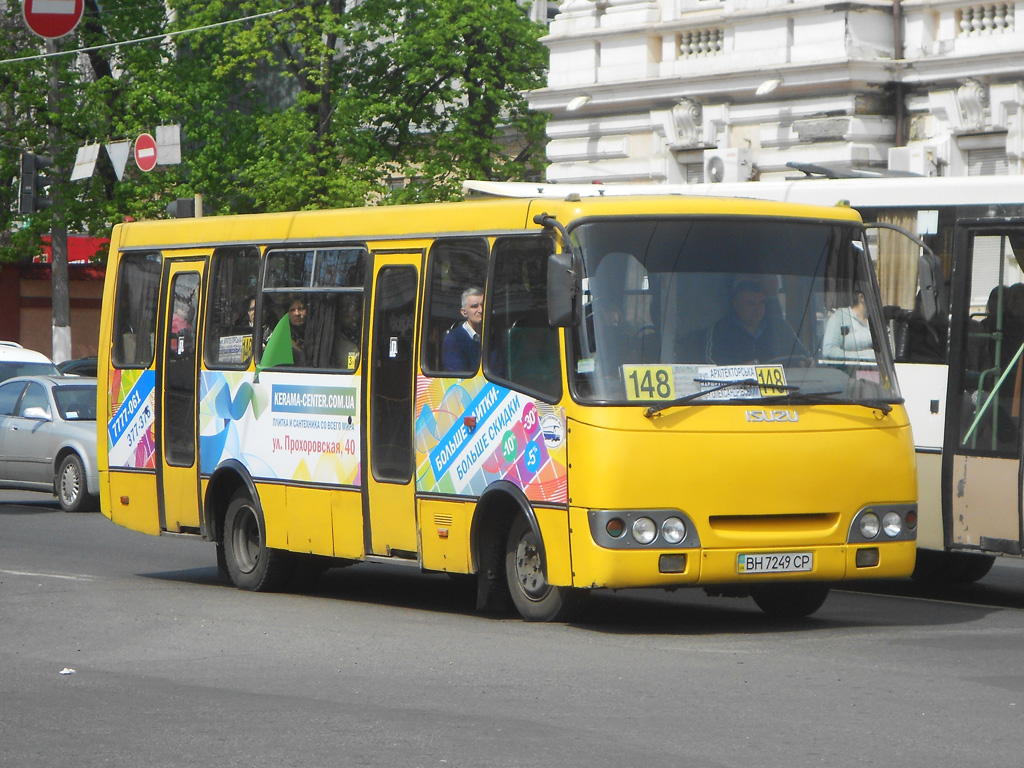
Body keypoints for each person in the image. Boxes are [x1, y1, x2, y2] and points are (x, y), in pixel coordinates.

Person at [707, 280, 808, 365]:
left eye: (761, 303)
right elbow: (714, 361)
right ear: (736, 304)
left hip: (781, 386)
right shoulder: (722, 329)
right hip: (737, 386)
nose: (757, 309)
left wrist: (808, 361)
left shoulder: (779, 326)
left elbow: (802, 355)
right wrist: (742, 367)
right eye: (750, 304)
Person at [822, 290, 875, 361]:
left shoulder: (875, 321)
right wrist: (866, 356)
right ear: (861, 297)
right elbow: (829, 350)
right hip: (846, 369)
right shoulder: (840, 316)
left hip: (875, 369)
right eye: (875, 295)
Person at [442, 286, 483, 372]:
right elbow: (458, 378)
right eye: (474, 306)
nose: (481, 310)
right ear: (464, 312)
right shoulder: (453, 339)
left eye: (483, 305)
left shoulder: (495, 337)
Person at [286, 295, 308, 366]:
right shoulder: (283, 338)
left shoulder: (317, 335)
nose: (297, 313)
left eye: (301, 309)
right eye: (292, 310)